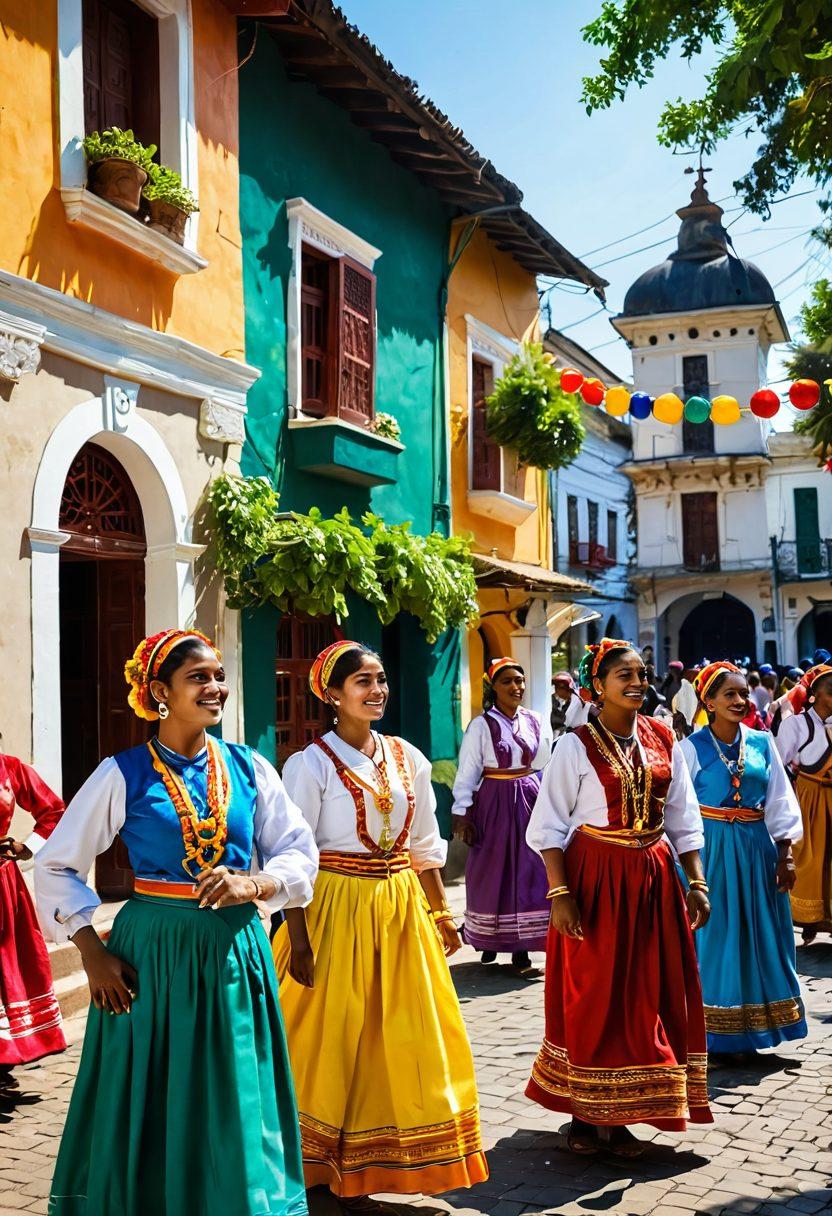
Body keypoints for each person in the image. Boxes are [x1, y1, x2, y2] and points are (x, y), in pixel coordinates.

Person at [35, 628, 318, 1216]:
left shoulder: (248, 766)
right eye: (199, 678)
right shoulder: (123, 773)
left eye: (218, 675)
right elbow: (57, 864)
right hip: (151, 953)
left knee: (234, 1081)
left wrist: (256, 883)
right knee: (154, 1085)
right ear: (160, 692)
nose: (216, 687)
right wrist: (91, 953)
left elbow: (297, 850)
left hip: (235, 947)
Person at [273, 641, 488, 1206]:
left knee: (403, 1032)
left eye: (381, 679)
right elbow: (295, 855)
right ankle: (313, 1166)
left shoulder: (406, 756)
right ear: (332, 694)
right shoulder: (309, 765)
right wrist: (297, 938)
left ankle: (378, 1161)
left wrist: (440, 913)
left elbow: (422, 844)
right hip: (332, 910)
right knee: (328, 1037)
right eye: (362, 682)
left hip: (399, 911)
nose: (377, 690)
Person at [525, 638, 712, 1157]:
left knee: (647, 992)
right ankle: (588, 1116)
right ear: (597, 686)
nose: (636, 682)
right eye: (623, 675)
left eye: (641, 673)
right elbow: (548, 826)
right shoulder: (573, 745)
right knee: (596, 995)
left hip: (653, 878)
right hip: (596, 878)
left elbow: (682, 814)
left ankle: (628, 1111)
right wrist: (560, 894)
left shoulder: (662, 736)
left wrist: (695, 881)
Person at [680, 662, 806, 1062]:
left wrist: (785, 854)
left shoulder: (762, 742)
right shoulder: (689, 748)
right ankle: (717, 1035)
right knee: (717, 936)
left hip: (756, 848)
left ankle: (761, 1028)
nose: (740, 700)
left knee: (764, 934)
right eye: (730, 694)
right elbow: (678, 810)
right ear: (709, 702)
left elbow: (780, 799)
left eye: (743, 692)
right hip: (711, 849)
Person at [452, 658, 552, 975]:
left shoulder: (536, 720)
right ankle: (489, 938)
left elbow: (546, 764)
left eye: (519, 681)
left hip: (530, 799)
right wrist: (461, 813)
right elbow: (468, 770)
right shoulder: (481, 726)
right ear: (493, 687)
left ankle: (523, 948)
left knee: (532, 867)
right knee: (492, 869)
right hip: (494, 802)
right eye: (507, 681)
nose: (516, 687)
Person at [0, 750, 66, 1099]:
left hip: (3, 887)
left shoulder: (9, 768)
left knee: (8, 971)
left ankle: (3, 1065)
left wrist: (28, 847)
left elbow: (54, 811)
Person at [774, 663, 832, 944]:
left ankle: (827, 919)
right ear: (813, 695)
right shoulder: (796, 724)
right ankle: (809, 919)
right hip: (810, 799)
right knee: (809, 859)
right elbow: (777, 764)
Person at [551, 671, 589, 739]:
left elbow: (568, 723)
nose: (555, 691)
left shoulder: (576, 702)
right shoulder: (566, 700)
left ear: (563, 688)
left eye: (557, 688)